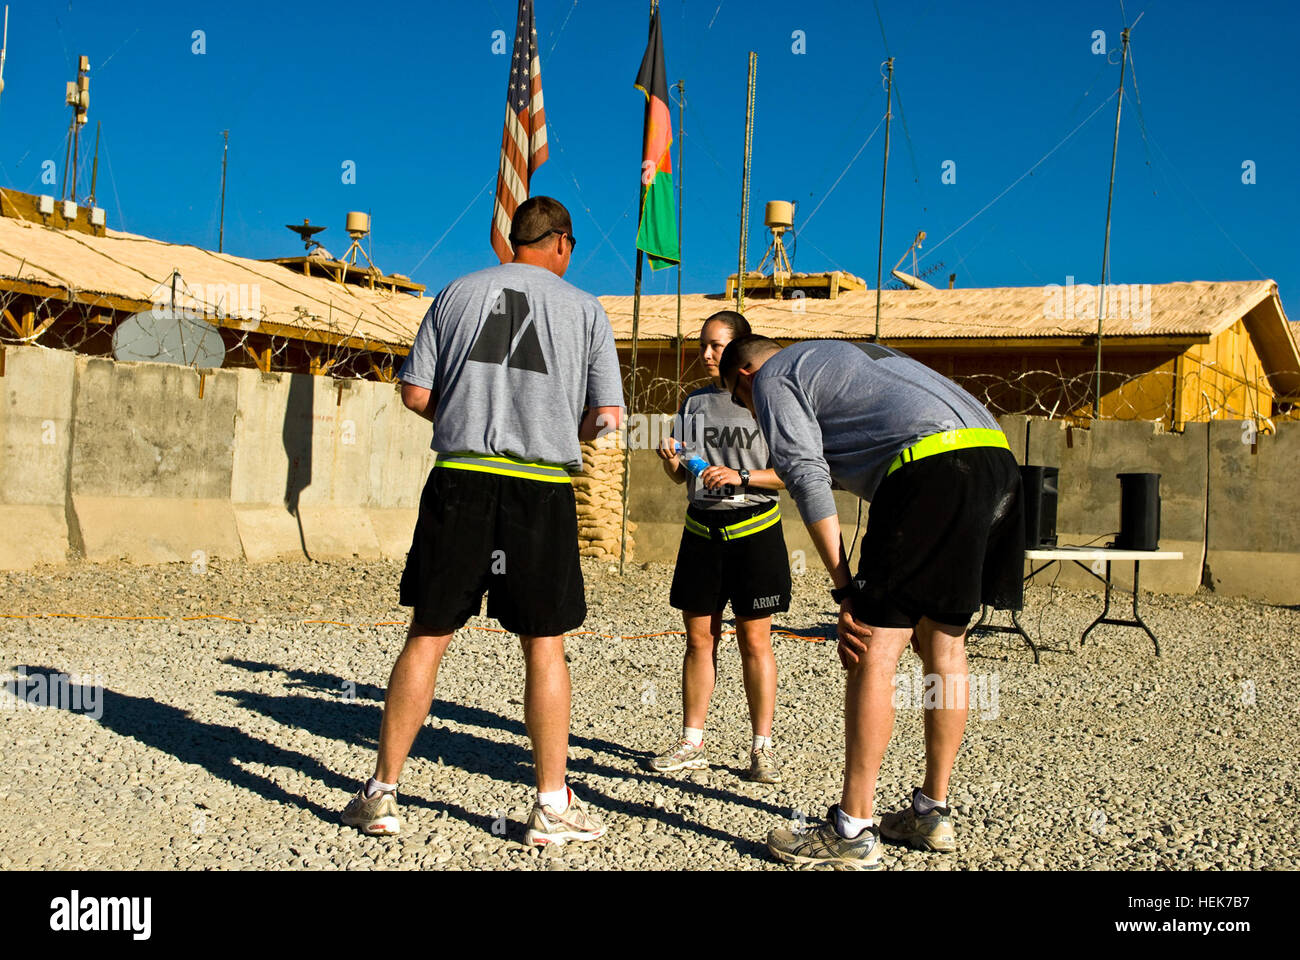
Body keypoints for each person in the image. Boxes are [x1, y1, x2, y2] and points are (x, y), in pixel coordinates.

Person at [340, 196, 624, 847]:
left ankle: (381, 795)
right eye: (572, 244)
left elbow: (414, 391)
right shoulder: (584, 309)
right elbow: (607, 416)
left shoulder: (454, 293)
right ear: (558, 242)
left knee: (428, 633)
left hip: (461, 481)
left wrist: (465, 417)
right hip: (541, 489)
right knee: (544, 644)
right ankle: (550, 806)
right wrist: (560, 425)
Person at [719, 335, 1024, 870]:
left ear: (745, 375)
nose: (758, 415)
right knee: (945, 644)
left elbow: (803, 474)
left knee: (870, 648)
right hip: (995, 460)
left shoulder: (771, 376)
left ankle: (852, 830)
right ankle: (932, 811)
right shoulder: (844, 354)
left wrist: (844, 590)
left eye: (746, 406)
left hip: (929, 470)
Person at [650, 311, 791, 783]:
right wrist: (670, 460)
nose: (707, 355)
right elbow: (681, 477)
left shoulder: (771, 401)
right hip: (701, 533)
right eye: (704, 346)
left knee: (755, 639)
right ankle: (692, 741)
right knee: (698, 640)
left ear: (741, 350)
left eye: (716, 346)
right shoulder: (692, 403)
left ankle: (761, 749)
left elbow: (794, 473)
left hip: (755, 533)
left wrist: (742, 476)